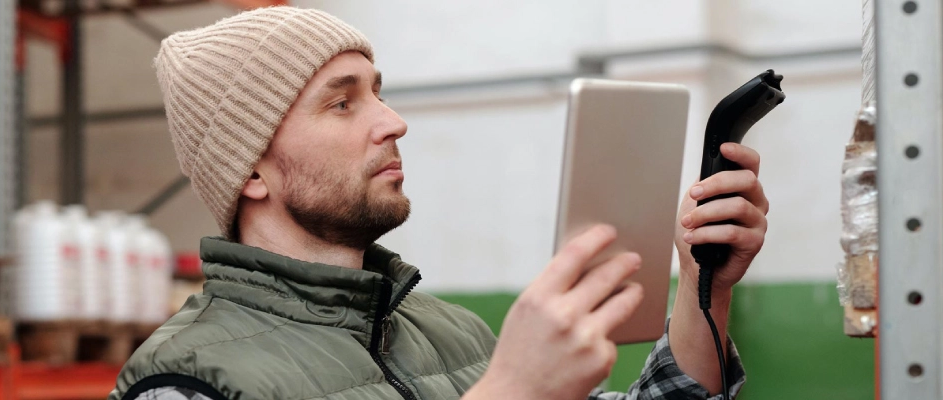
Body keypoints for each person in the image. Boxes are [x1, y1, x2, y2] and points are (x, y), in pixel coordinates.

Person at [110, 6, 768, 400]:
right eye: (343, 102)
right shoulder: (187, 380)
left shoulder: (455, 332)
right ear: (252, 170)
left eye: (378, 92)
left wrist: (704, 286)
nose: (392, 121)